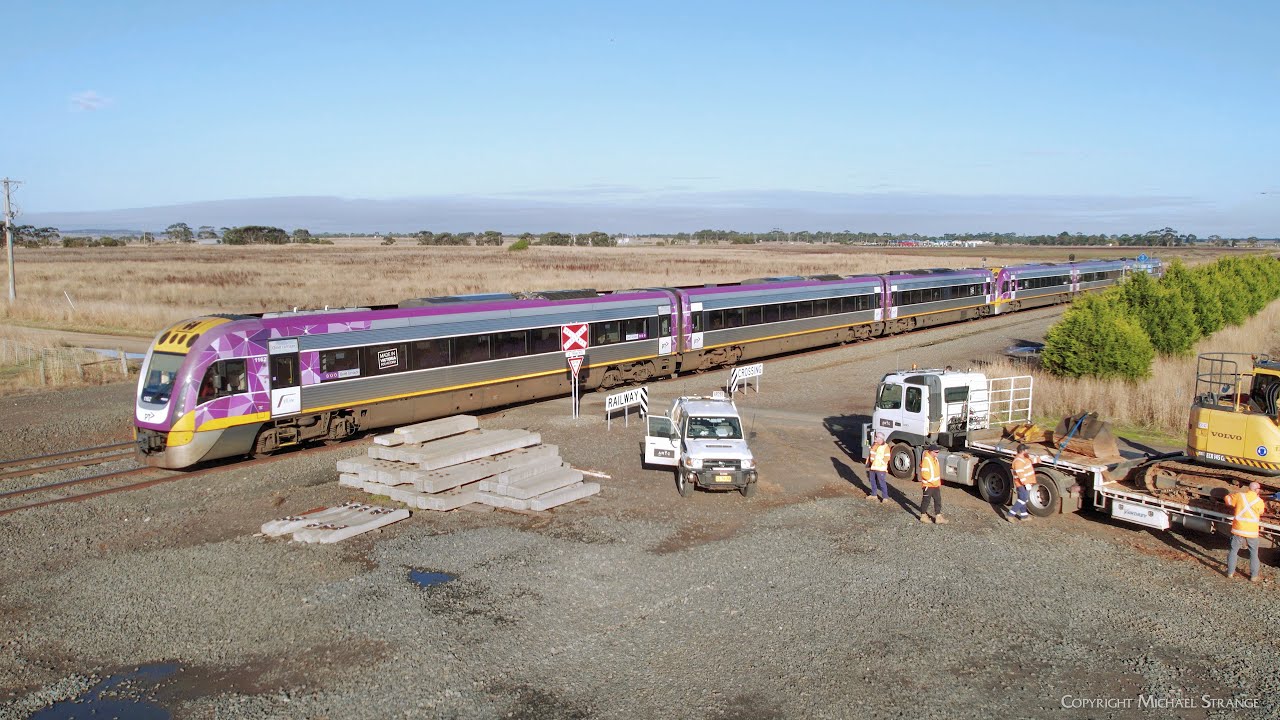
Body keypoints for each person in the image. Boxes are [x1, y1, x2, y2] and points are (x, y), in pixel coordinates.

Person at [1225, 481, 1265, 582]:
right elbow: (1261, 511)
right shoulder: (1259, 501)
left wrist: (1227, 495)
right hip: (1252, 531)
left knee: (1233, 551)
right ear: (1256, 490)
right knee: (1254, 553)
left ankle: (1230, 573)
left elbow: (1228, 501)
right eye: (1259, 489)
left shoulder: (1240, 496)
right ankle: (1254, 576)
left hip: (1238, 529)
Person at [918, 444, 947, 524]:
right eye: (936, 452)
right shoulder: (926, 460)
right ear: (931, 452)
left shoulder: (935, 459)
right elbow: (924, 474)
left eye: (938, 452)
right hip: (928, 485)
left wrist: (936, 482)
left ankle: (938, 516)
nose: (937, 453)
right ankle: (923, 516)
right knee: (926, 500)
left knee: (938, 500)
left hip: (935, 484)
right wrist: (932, 481)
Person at [1008, 444, 1036, 522]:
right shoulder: (1018, 461)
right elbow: (1020, 474)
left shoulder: (1024, 458)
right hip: (1021, 484)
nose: (1028, 451)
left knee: (1023, 499)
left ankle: (1024, 516)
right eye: (1026, 450)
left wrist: (1040, 459)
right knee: (1022, 499)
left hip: (1025, 483)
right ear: (1022, 451)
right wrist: (1026, 483)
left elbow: (1030, 461)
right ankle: (1010, 515)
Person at [866, 432, 891, 504]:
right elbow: (871, 454)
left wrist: (881, 463)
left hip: (880, 468)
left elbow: (887, 457)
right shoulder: (874, 444)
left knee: (882, 483)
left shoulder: (885, 447)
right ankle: (874, 495)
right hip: (873, 467)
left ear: (880, 438)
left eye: (876, 437)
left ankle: (885, 498)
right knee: (872, 481)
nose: (875, 438)